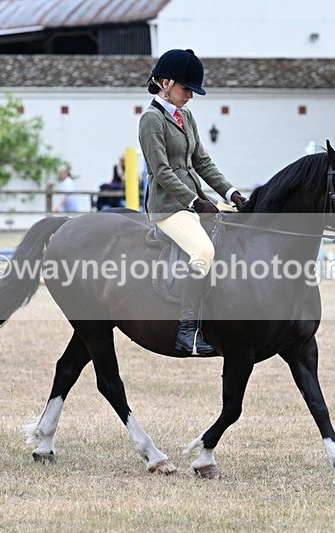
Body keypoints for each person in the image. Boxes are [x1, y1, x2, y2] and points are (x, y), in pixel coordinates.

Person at [139, 48, 246, 355]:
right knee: (202, 250)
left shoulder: (186, 116)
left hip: (194, 199)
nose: (190, 96)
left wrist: (230, 194)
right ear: (165, 83)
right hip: (168, 206)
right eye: (187, 89)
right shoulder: (151, 120)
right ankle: (187, 332)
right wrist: (194, 202)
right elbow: (160, 171)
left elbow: (202, 161)